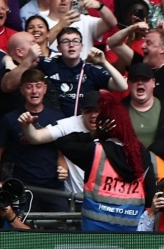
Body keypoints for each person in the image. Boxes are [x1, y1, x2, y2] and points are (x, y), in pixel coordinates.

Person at [55, 92, 156, 231]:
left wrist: (94, 134)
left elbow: (63, 142)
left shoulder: (95, 151)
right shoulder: (141, 154)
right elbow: (150, 193)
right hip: (131, 232)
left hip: (95, 231)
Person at [0, 69, 68, 213]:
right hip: (23, 186)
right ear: (22, 90)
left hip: (53, 187)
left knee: (63, 229)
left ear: (45, 88)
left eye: (38, 86)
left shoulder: (58, 117)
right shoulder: (9, 119)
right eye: (29, 86)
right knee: (21, 229)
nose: (34, 91)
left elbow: (61, 151)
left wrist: (63, 167)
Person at [18, 90, 100, 196]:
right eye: (88, 111)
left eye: (97, 111)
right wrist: (26, 125)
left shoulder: (114, 126)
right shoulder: (69, 124)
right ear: (82, 112)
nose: (93, 115)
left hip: (105, 199)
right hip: (75, 197)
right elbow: (36, 137)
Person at [106, 20, 164, 108]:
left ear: (162, 49)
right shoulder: (139, 64)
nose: (142, 46)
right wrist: (132, 28)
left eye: (148, 43)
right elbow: (113, 43)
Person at [44, 0, 118, 59]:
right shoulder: (40, 23)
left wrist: (100, 6)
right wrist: (60, 26)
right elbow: (39, 46)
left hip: (85, 69)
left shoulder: (84, 20)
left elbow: (112, 23)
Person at [123, 63, 164, 148]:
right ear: (128, 84)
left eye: (145, 79)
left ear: (153, 83)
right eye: (135, 80)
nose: (140, 83)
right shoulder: (117, 110)